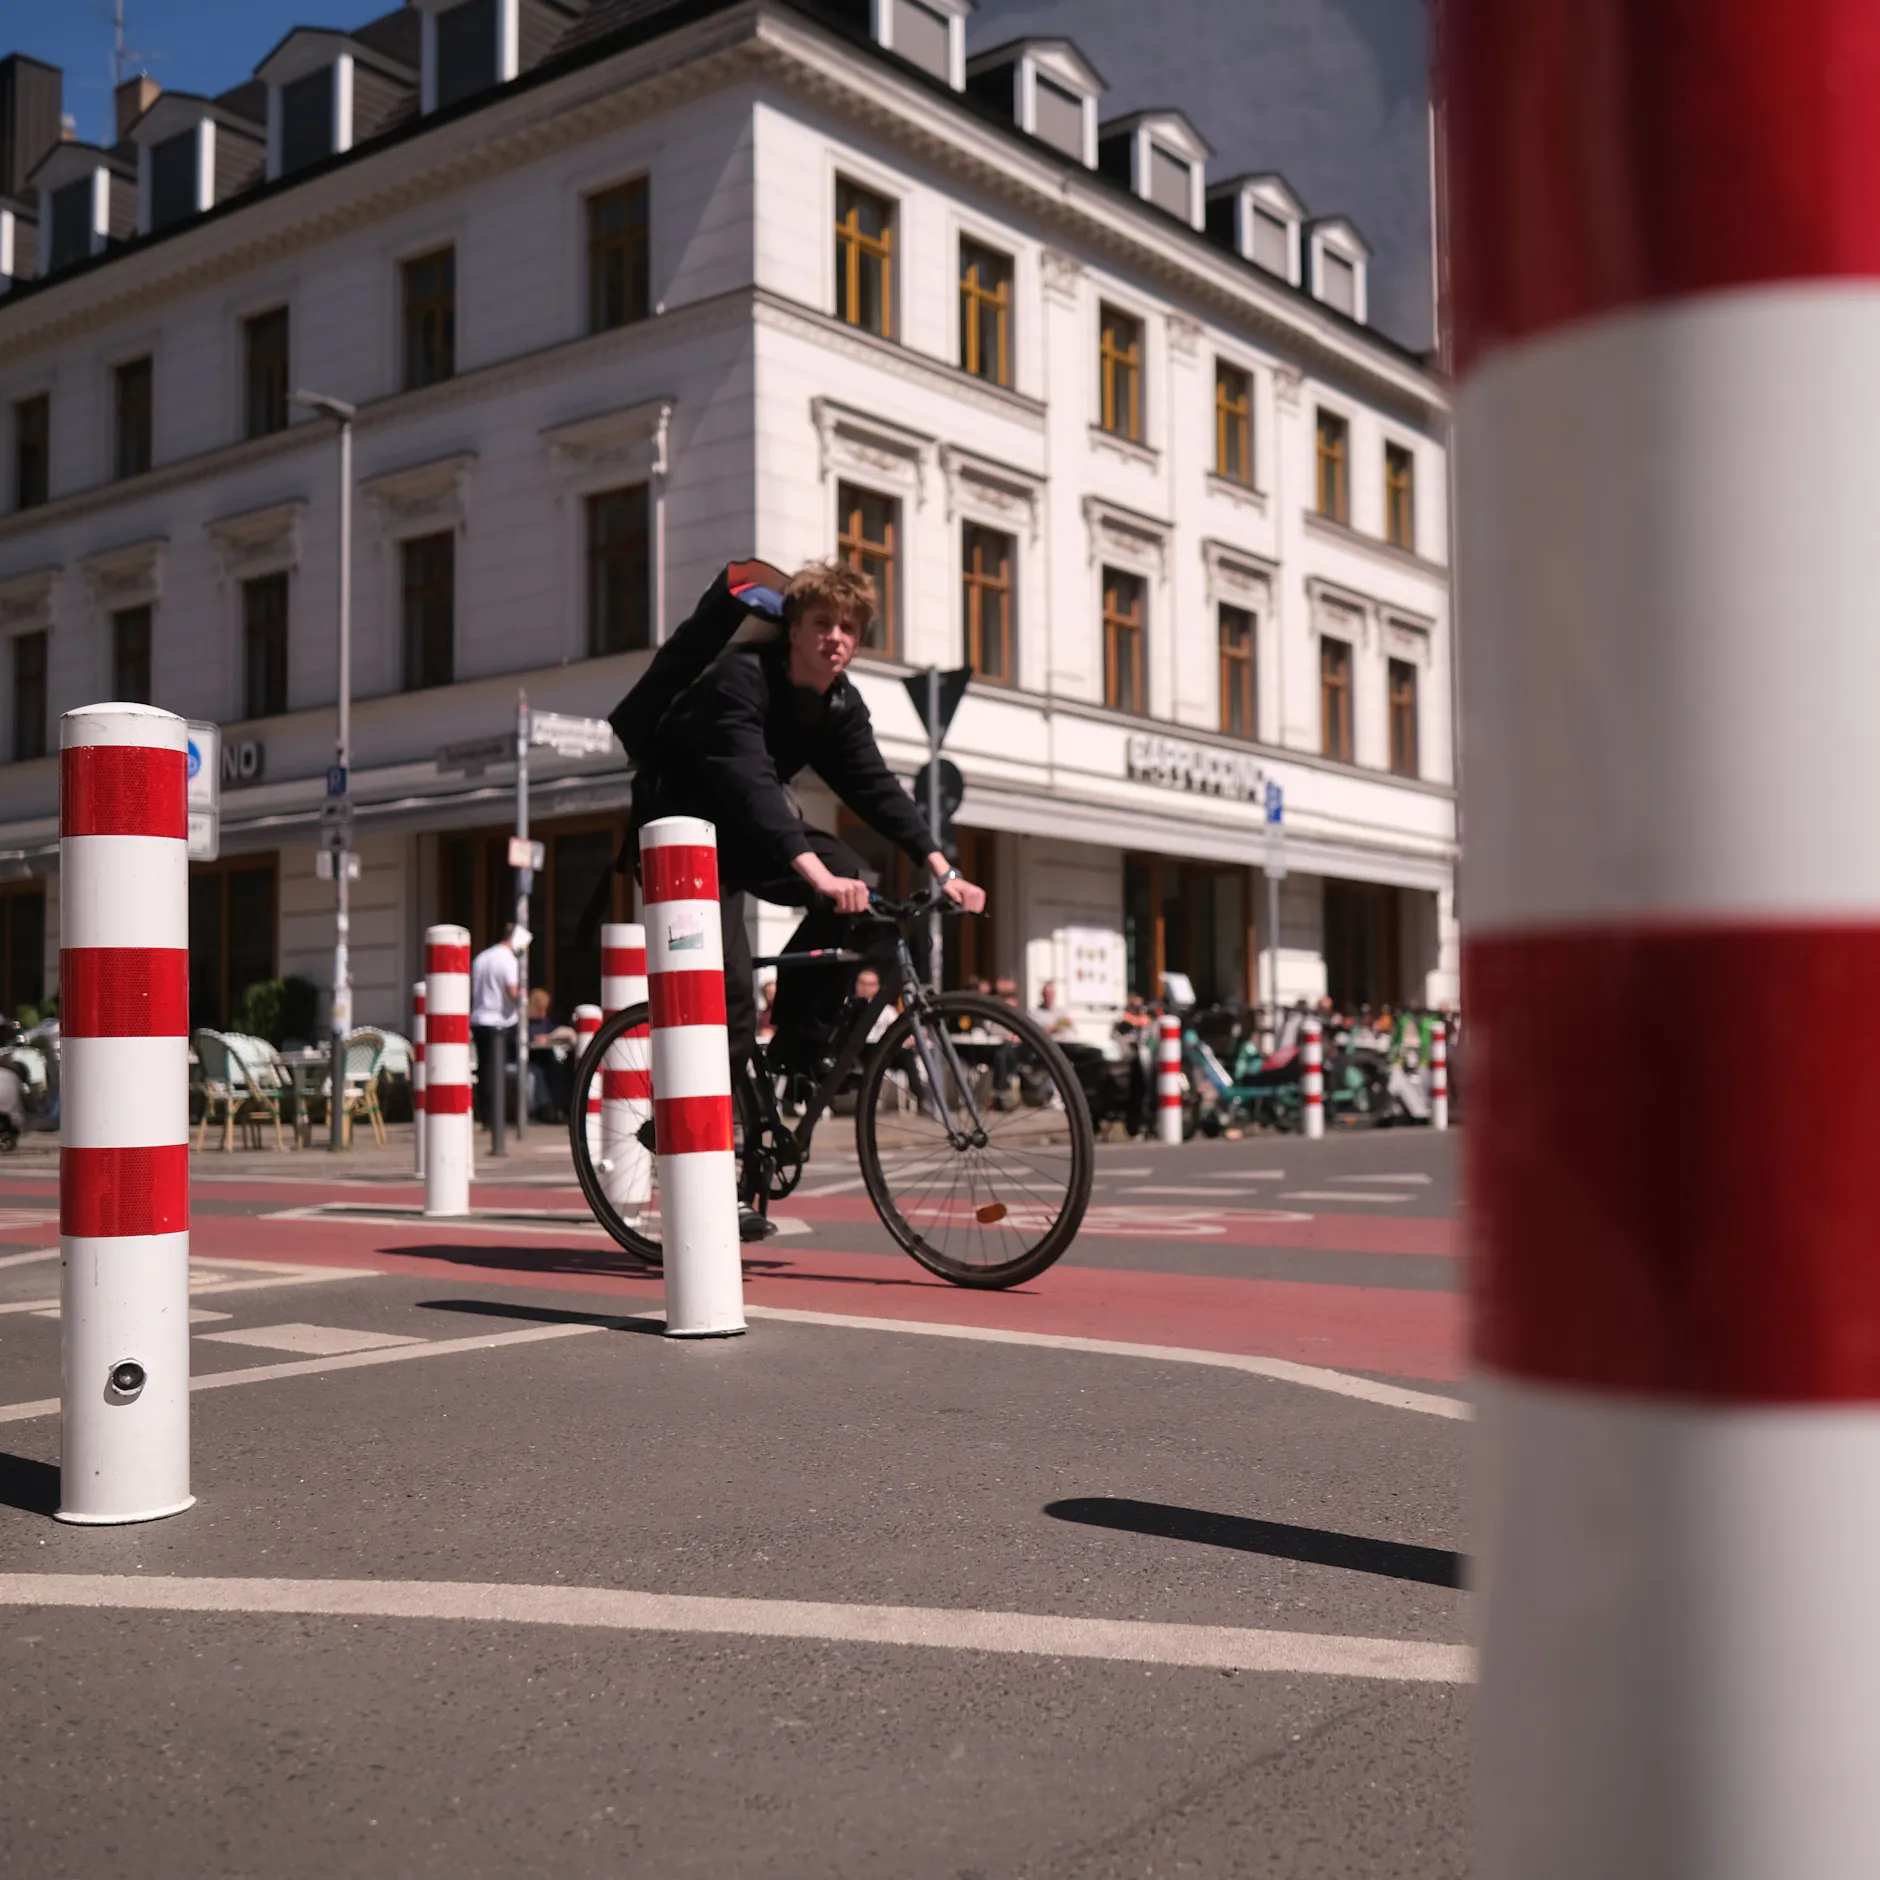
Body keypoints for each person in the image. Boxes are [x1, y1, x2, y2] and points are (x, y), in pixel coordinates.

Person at [629, 559, 986, 1235]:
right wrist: (816, 878)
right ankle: (722, 1173)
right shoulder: (740, 680)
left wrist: (944, 870)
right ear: (794, 629)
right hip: (683, 838)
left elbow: (878, 790)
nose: (836, 638)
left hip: (754, 831)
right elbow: (753, 786)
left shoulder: (840, 704)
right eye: (822, 623)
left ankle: (794, 1047)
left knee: (868, 894)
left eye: (849, 628)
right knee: (728, 992)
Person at [469, 923, 528, 1130]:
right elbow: (512, 992)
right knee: (496, 1071)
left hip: (478, 1019)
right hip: (500, 1022)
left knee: (484, 1070)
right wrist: (525, 998)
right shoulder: (508, 960)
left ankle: (486, 1117)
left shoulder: (482, 958)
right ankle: (497, 1120)